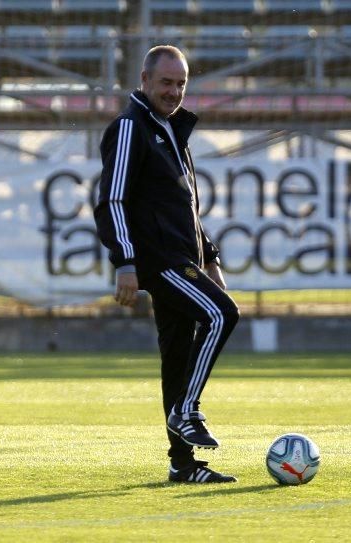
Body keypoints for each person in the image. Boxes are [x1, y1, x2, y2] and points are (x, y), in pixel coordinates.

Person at [94, 45, 239, 484]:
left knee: (176, 357)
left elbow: (186, 207)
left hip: (184, 256)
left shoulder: (171, 128)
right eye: (166, 83)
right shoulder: (129, 128)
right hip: (160, 260)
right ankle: (186, 410)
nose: (174, 91)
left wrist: (209, 255)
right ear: (144, 80)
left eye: (181, 84)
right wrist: (125, 261)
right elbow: (111, 199)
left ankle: (183, 463)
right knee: (222, 313)